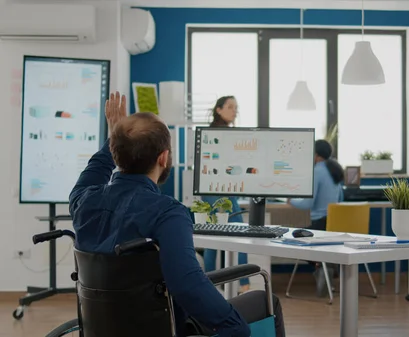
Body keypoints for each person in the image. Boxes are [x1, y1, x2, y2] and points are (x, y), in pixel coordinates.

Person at [69, 92, 286, 337]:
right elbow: (186, 285)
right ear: (163, 158)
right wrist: (234, 326)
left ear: (115, 152)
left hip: (105, 328)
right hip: (164, 327)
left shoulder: (82, 200)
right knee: (267, 302)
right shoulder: (167, 213)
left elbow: (96, 169)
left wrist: (114, 136)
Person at [201, 95, 250, 293]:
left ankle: (211, 284)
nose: (234, 110)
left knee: (214, 237)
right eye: (230, 107)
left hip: (220, 188)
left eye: (236, 107)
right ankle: (243, 285)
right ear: (218, 109)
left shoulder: (218, 132)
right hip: (217, 189)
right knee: (238, 234)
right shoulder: (217, 134)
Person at [287, 139, 344, 296]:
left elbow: (307, 204)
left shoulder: (317, 171)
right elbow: (341, 197)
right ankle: (326, 264)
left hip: (321, 226)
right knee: (311, 240)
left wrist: (291, 200)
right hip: (334, 225)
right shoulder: (334, 169)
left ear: (316, 155)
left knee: (292, 238)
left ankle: (321, 264)